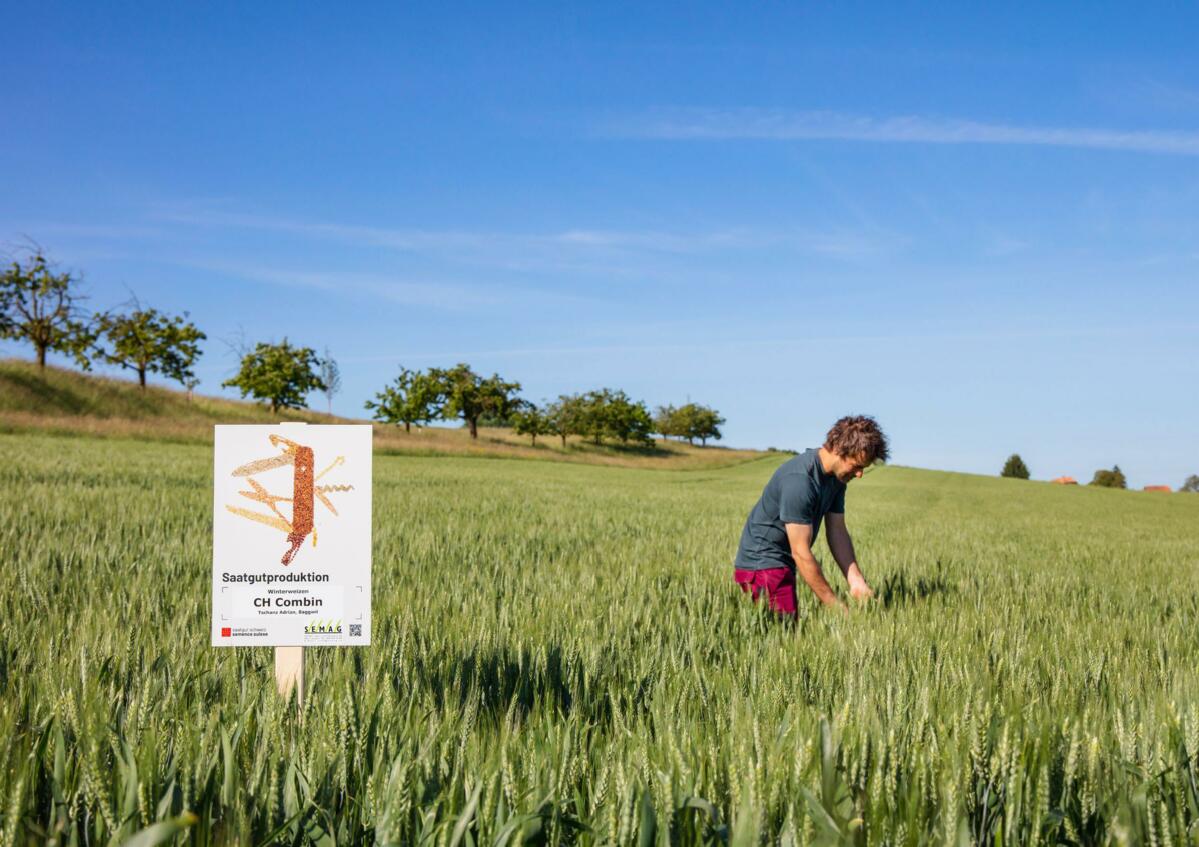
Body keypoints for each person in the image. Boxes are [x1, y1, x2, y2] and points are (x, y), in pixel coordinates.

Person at [733, 415, 889, 616]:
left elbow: (837, 531)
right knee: (784, 631)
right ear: (838, 449)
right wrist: (837, 608)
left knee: (787, 629)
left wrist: (855, 580)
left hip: (780, 564)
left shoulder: (837, 479)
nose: (860, 474)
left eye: (863, 468)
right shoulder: (800, 481)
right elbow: (800, 552)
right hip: (762, 565)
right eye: (856, 466)